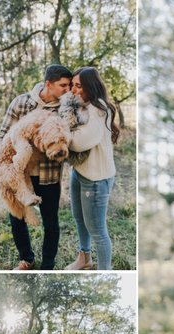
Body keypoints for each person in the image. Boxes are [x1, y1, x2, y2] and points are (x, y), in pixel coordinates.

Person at [0, 65, 73, 271]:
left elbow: (68, 143)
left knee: (51, 222)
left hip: (49, 175)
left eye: (70, 85)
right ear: (48, 84)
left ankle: (48, 264)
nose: (68, 89)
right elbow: (3, 133)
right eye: (63, 85)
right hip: (20, 173)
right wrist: (1, 166)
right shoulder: (21, 103)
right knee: (17, 217)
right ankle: (26, 259)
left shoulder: (65, 110)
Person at [63, 66, 120, 271]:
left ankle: (104, 272)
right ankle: (84, 259)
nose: (74, 90)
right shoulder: (83, 106)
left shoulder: (99, 110)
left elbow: (80, 143)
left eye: (79, 86)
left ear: (90, 86)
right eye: (72, 86)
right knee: (80, 220)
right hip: (80, 172)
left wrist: (62, 134)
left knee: (98, 231)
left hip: (96, 180)